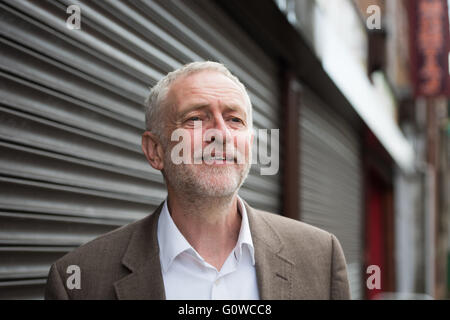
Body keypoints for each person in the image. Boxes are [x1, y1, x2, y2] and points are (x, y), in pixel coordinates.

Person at [45, 61, 351, 300]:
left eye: (234, 119)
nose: (220, 133)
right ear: (155, 151)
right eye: (195, 118)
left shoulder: (321, 258)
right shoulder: (80, 281)